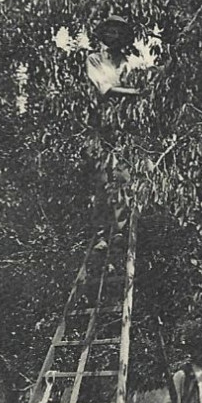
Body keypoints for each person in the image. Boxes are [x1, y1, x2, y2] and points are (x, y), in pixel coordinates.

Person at [85, 14, 140, 248]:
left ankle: (119, 229)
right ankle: (100, 233)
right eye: (111, 32)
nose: (114, 37)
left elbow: (140, 82)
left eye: (119, 33)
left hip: (124, 125)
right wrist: (135, 92)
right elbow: (104, 89)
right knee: (102, 178)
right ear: (104, 34)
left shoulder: (128, 62)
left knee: (123, 176)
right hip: (101, 125)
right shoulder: (95, 60)